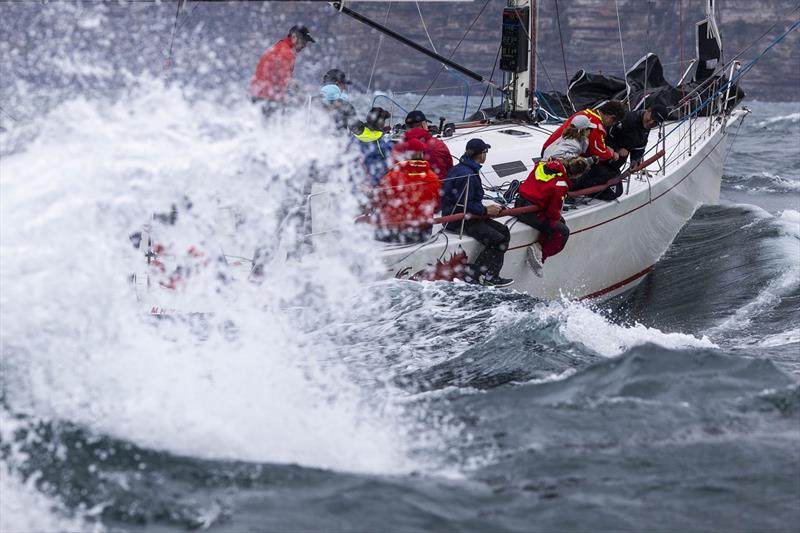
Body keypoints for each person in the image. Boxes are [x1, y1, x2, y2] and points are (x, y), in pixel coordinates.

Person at [441, 139, 513, 287]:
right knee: (499, 239)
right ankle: (485, 274)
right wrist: (486, 210)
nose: (485, 155)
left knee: (504, 231)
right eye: (485, 152)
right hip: (460, 220)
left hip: (465, 216)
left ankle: (483, 272)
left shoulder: (462, 168)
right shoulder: (469, 174)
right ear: (480, 155)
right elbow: (465, 204)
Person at [515, 157, 593, 276]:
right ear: (577, 175)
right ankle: (541, 255)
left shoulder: (543, 165)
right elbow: (552, 213)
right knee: (563, 232)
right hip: (529, 213)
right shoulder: (561, 184)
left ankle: (539, 247)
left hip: (519, 203)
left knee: (558, 223)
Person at [579, 103, 669, 201]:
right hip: (600, 161)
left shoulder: (647, 128)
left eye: (655, 122)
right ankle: (579, 190)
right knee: (614, 192)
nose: (651, 122)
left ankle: (586, 188)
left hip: (612, 166)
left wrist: (635, 161)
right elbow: (605, 133)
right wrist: (616, 149)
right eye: (652, 118)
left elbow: (640, 147)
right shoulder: (628, 120)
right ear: (648, 110)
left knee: (617, 189)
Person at [373, 138, 440, 244]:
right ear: (421, 154)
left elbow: (378, 203)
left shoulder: (391, 176)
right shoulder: (433, 177)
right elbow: (437, 206)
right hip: (423, 233)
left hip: (394, 233)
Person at [248, 25, 315, 110]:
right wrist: (298, 88)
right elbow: (283, 79)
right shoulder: (286, 52)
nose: (304, 46)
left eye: (306, 43)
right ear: (294, 37)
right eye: (303, 41)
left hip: (257, 94)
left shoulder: (279, 47)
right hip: (267, 97)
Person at [542, 100, 628, 163]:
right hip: (555, 157)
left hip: (549, 148)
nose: (611, 125)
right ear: (611, 117)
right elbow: (599, 153)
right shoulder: (596, 126)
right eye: (614, 122)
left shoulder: (585, 112)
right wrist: (612, 153)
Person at [405, 110, 453, 180]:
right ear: (424, 124)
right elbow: (443, 175)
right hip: (434, 187)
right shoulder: (437, 146)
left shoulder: (401, 147)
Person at [350, 107, 394, 185]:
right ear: (380, 123)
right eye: (383, 121)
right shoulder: (379, 141)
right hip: (373, 181)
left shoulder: (356, 135)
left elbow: (370, 134)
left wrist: (383, 131)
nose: (384, 123)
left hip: (355, 177)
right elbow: (389, 158)